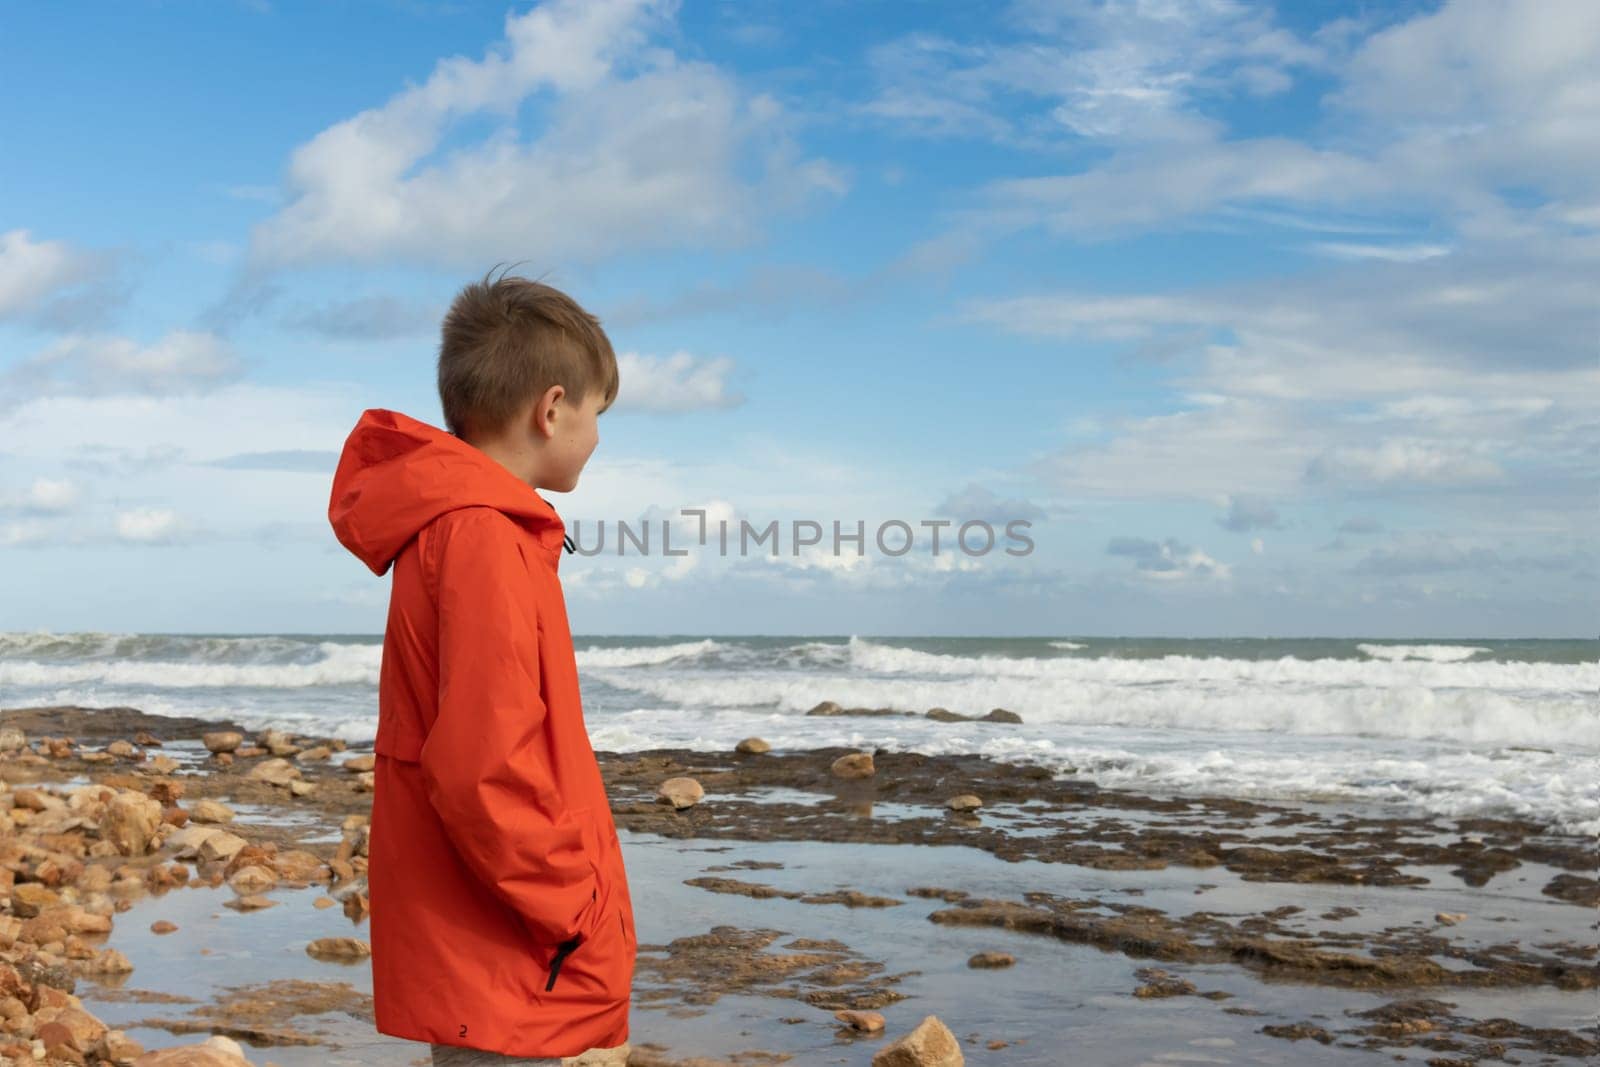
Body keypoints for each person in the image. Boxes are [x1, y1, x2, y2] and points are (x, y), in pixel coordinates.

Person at [327, 270, 633, 1066]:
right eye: (599, 413)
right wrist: (573, 904)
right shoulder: (484, 538)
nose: (598, 436)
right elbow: (481, 766)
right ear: (553, 407)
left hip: (487, 939)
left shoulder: (463, 528)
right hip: (506, 944)